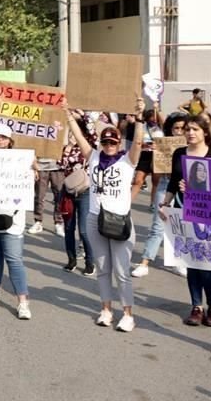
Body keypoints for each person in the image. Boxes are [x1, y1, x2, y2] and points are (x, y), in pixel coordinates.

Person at [65, 100, 144, 332]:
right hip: (95, 218)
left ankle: (128, 314)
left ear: (119, 144)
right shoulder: (94, 157)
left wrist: (139, 119)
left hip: (119, 221)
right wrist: (68, 115)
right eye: (105, 142)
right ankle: (106, 309)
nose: (109, 145)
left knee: (121, 271)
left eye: (113, 142)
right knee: (103, 269)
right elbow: (78, 137)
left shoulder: (127, 160)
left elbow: (138, 142)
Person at [159, 115, 211, 326]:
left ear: (205, 133)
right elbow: (173, 182)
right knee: (190, 261)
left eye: (195, 130)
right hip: (183, 211)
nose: (190, 133)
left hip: (207, 214)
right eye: (188, 129)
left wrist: (194, 188)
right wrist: (165, 204)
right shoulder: (180, 153)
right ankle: (196, 307)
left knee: (207, 264)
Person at [0, 123, 33, 320]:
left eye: (3, 137)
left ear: (10, 140)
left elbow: (33, 175)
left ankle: (23, 302)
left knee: (14, 259)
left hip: (13, 214)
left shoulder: (21, 159)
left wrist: (32, 170)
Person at [132, 114, 187, 278]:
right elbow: (154, 169)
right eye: (176, 128)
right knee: (158, 224)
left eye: (182, 128)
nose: (179, 131)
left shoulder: (192, 147)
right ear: (171, 129)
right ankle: (144, 262)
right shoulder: (164, 145)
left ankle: (179, 262)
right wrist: (156, 156)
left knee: (180, 227)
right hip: (165, 184)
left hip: (185, 189)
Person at [59, 113, 96, 277]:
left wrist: (77, 113)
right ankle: (71, 259)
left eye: (75, 133)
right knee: (68, 227)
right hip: (67, 191)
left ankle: (90, 262)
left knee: (84, 230)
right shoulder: (66, 149)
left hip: (85, 191)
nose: (73, 135)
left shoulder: (89, 147)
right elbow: (61, 165)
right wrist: (67, 147)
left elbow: (90, 126)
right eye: (71, 133)